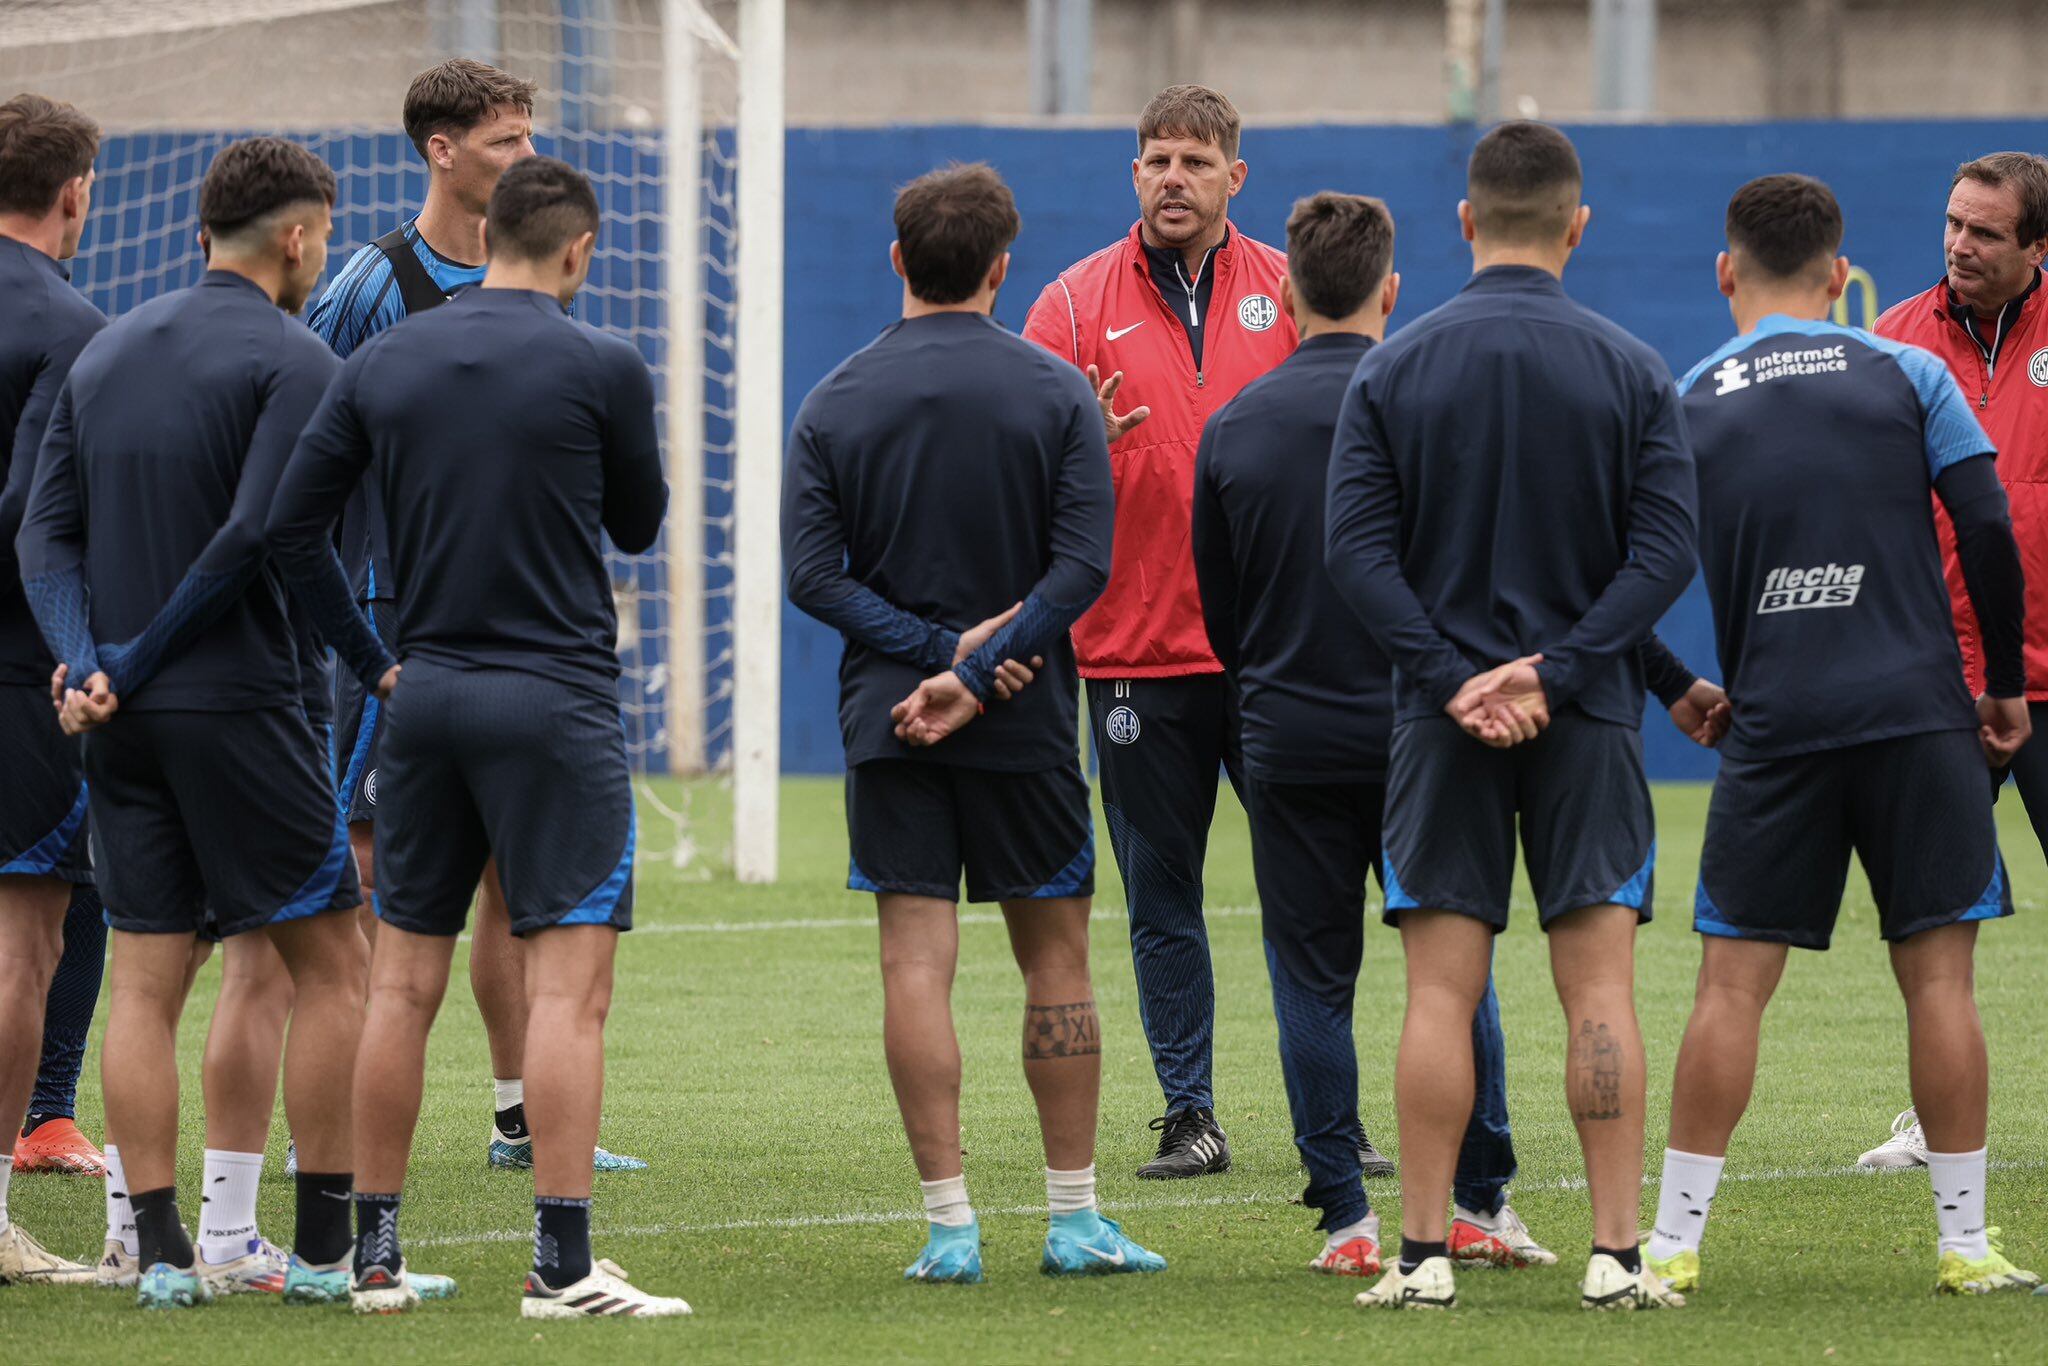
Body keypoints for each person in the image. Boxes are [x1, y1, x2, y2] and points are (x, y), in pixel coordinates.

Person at [268, 155, 686, 1319]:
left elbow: (290, 531)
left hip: (425, 695)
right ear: (575, 251)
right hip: (553, 701)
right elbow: (641, 525)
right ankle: (560, 1268)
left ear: (486, 230)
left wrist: (372, 666)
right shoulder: (601, 361)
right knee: (569, 991)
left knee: (399, 985)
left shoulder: (386, 354)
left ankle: (376, 1259)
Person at [1643, 172, 2040, 1298]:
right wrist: (2003, 685)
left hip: (1775, 727)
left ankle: (1671, 1246)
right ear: (1837, 274)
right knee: (1939, 987)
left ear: (1726, 272)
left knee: (1728, 988)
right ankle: (1964, 1247)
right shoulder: (1907, 369)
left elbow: (1607, 578)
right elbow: (1985, 529)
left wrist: (1675, 685)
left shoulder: (1689, 399)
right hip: (1919, 717)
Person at [1326, 121, 1697, 1312]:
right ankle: (1615, 1253)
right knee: (1598, 991)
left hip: (1440, 725)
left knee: (1438, 991)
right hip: (1583, 720)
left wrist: (1451, 680)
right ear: (1576, 226)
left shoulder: (1391, 365)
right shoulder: (1631, 366)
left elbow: (1354, 554)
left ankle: (1423, 1253)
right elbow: (1664, 553)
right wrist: (1563, 670)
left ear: (1464, 221)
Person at [786, 161, 1167, 1283]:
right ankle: (1072, 1216)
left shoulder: (834, 398)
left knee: (916, 965)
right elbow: (1084, 567)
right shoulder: (1054, 393)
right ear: (1002, 268)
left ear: (899, 261)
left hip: (890, 719)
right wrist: (985, 658)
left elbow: (813, 578)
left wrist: (933, 653)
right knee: (1057, 963)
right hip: (1022, 718)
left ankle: (950, 1222)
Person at [14, 136, 374, 1310]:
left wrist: (86, 663)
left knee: (145, 982)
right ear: (299, 236)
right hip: (241, 707)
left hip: (112, 723)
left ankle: (163, 1254)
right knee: (332, 960)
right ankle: (321, 1253)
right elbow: (263, 537)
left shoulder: (107, 345)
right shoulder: (297, 356)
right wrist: (140, 658)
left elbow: (42, 535)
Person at [1189, 190, 1550, 1276]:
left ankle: (1347, 1219)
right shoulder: (1430, 409)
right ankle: (1480, 1200)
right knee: (1455, 975)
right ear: (1391, 289)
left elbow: (1220, 614)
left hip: (1287, 735)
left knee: (1309, 977)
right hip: (1423, 732)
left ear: (1284, 292)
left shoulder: (1233, 425)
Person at [305, 58, 642, 1174]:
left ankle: (517, 1116)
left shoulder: (554, 290)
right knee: (371, 892)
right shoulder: (366, 289)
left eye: (529, 135)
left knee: (513, 886)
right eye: (504, 138)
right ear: (441, 152)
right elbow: (305, 462)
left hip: (498, 650)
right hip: (393, 631)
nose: (525, 154)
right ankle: (344, 1158)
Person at [1022, 83, 1307, 1181]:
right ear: (1131, 173)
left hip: (1270, 652)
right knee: (1160, 901)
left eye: (1193, 161)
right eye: (1154, 160)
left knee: (1308, 891)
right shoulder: (1070, 303)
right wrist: (1069, 443)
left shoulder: (1288, 292)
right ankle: (1189, 1111)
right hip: (1135, 657)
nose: (1171, 178)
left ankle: (1327, 1107)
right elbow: (1021, 468)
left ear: (1237, 175)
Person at [1856, 151, 2048, 1173]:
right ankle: (1935, 1126)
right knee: (1935, 919)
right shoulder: (1890, 341)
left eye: (1983, 232)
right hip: (1938, 681)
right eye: (1951, 224)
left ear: (2036, 246)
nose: (1956, 245)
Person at [0, 91, 106, 1284]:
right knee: (21, 943)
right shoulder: (70, 323)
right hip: (15, 666)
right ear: (76, 190)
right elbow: (32, 523)